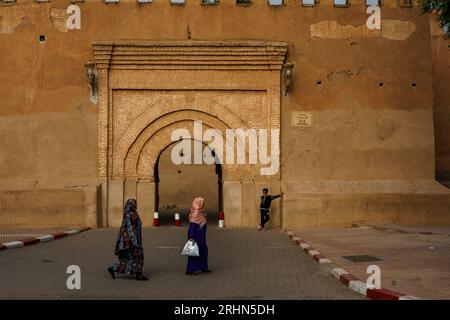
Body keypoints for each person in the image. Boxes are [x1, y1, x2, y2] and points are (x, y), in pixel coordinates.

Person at [107, 198, 148, 281]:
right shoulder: (132, 214)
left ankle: (114, 268)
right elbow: (131, 229)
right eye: (134, 204)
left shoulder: (127, 213)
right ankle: (138, 275)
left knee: (129, 259)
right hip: (132, 242)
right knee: (138, 257)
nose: (135, 205)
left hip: (126, 242)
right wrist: (135, 241)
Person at [186, 197, 211, 275]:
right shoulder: (195, 214)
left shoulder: (201, 213)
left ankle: (203, 267)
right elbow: (192, 227)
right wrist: (192, 238)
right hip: (195, 237)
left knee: (203, 252)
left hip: (201, 238)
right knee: (193, 252)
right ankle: (191, 269)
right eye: (202, 203)